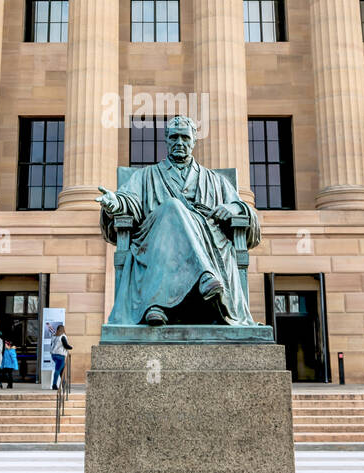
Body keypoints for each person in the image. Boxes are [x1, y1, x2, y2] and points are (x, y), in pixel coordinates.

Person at [97, 114, 259, 327]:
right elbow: (130, 200)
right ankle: (205, 276)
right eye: (174, 137)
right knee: (172, 207)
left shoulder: (215, 181)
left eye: (185, 137)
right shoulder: (146, 176)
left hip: (208, 240)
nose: (179, 143)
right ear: (166, 140)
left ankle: (156, 305)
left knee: (173, 208)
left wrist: (233, 207)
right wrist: (115, 204)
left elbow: (248, 214)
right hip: (157, 243)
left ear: (194, 141)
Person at [50, 323, 73, 391]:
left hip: (53, 355)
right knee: (57, 370)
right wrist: (71, 347)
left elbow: (51, 345)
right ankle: (54, 385)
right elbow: (66, 345)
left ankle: (64, 384)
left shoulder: (53, 336)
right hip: (60, 355)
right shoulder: (62, 336)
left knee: (61, 370)